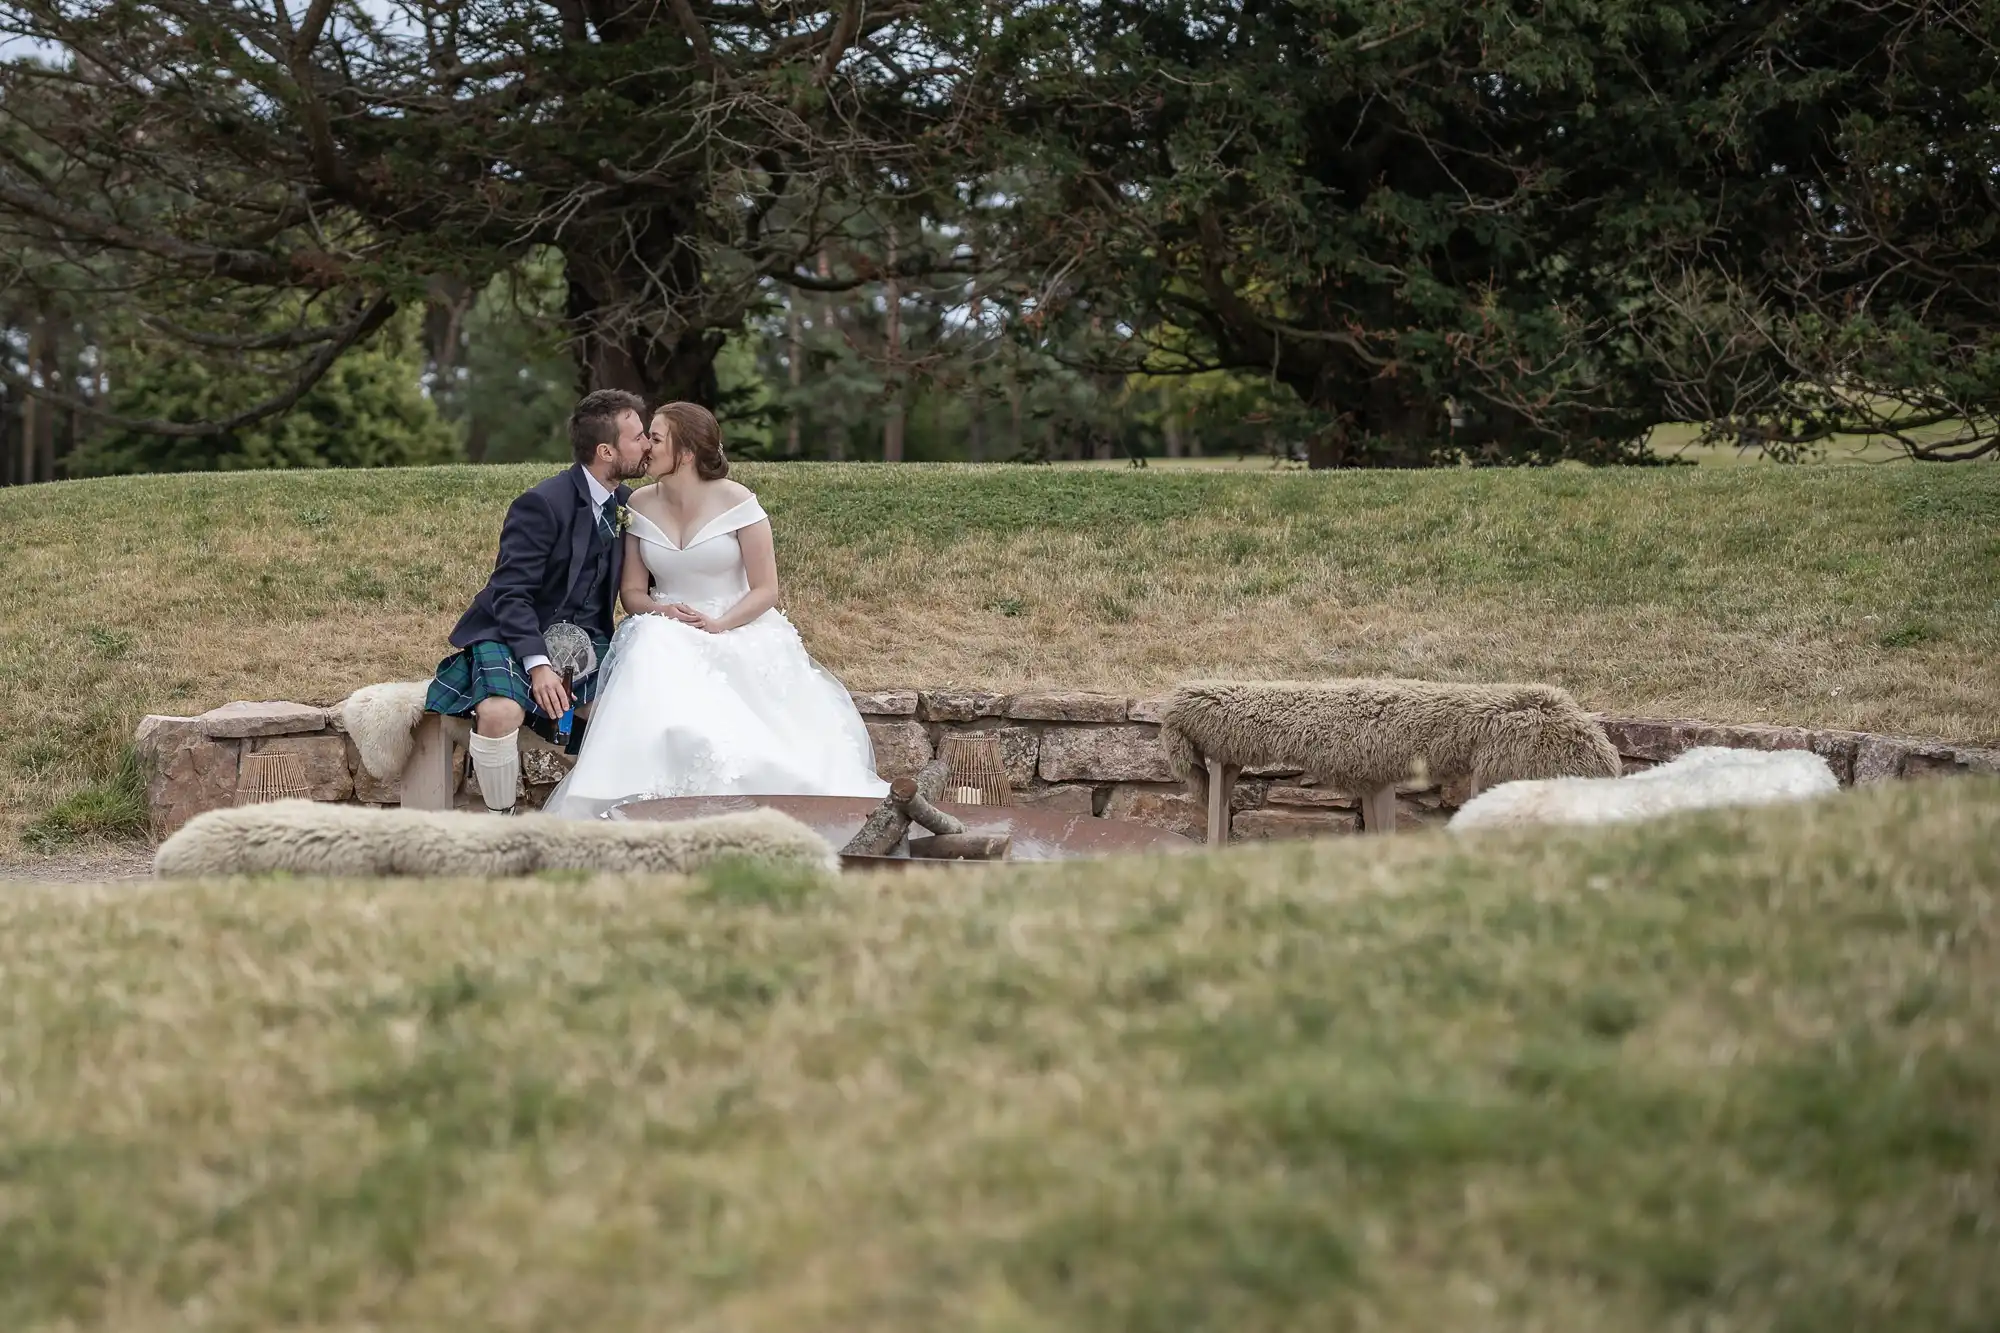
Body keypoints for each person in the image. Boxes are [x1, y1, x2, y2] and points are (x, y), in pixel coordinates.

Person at [541, 402, 888, 818]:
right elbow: (632, 594)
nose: (645, 447)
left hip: (738, 623)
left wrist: (721, 623)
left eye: (655, 437)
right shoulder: (637, 505)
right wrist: (664, 612)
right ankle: (644, 797)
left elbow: (766, 589)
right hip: (669, 626)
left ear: (685, 452)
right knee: (650, 642)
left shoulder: (739, 501)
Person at [425, 389, 653, 813]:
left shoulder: (629, 504)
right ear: (606, 451)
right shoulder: (542, 504)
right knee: (499, 712)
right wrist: (539, 666)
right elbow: (510, 594)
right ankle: (501, 822)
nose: (648, 445)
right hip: (516, 632)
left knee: (621, 714)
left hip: (584, 638)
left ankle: (613, 819)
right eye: (638, 437)